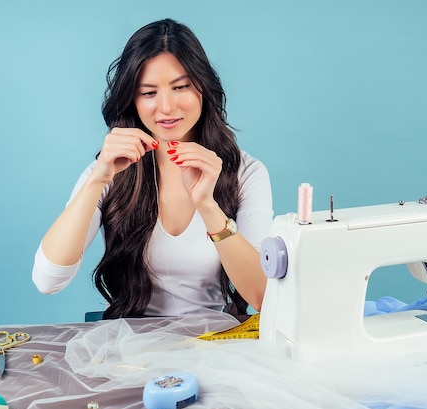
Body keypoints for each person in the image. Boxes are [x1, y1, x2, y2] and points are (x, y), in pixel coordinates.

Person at [32, 18, 273, 319]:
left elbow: (262, 295)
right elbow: (48, 280)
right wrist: (98, 180)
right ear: (131, 100)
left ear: (204, 87)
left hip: (212, 343)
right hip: (126, 349)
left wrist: (208, 206)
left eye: (181, 86)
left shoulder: (245, 172)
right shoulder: (109, 170)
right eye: (148, 93)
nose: (167, 107)